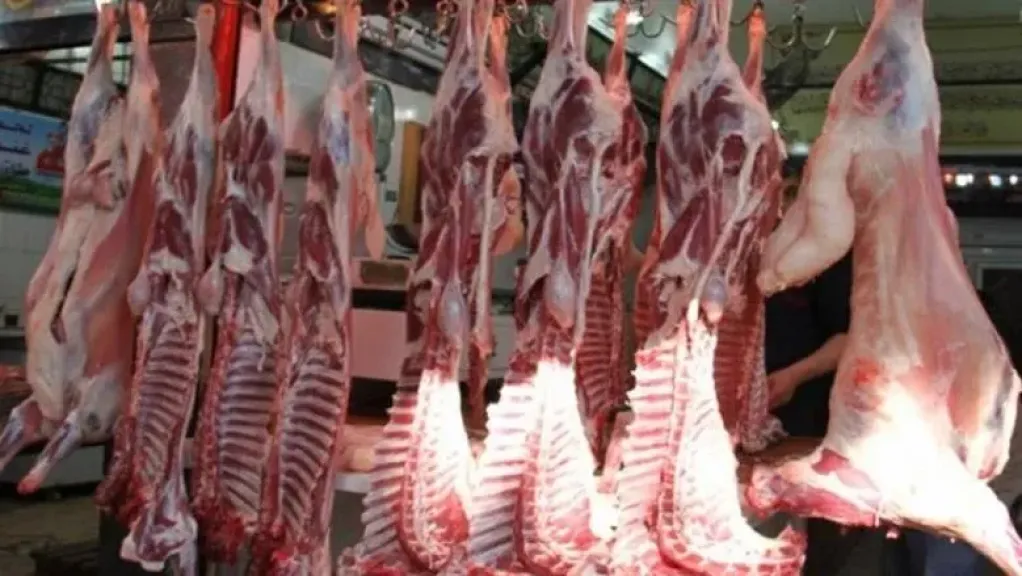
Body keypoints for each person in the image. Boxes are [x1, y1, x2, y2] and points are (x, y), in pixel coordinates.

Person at [764, 180, 856, 575]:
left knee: (812, 551)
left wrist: (794, 376)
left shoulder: (829, 256)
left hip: (808, 433)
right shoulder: (736, 252)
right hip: (743, 432)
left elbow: (848, 337)